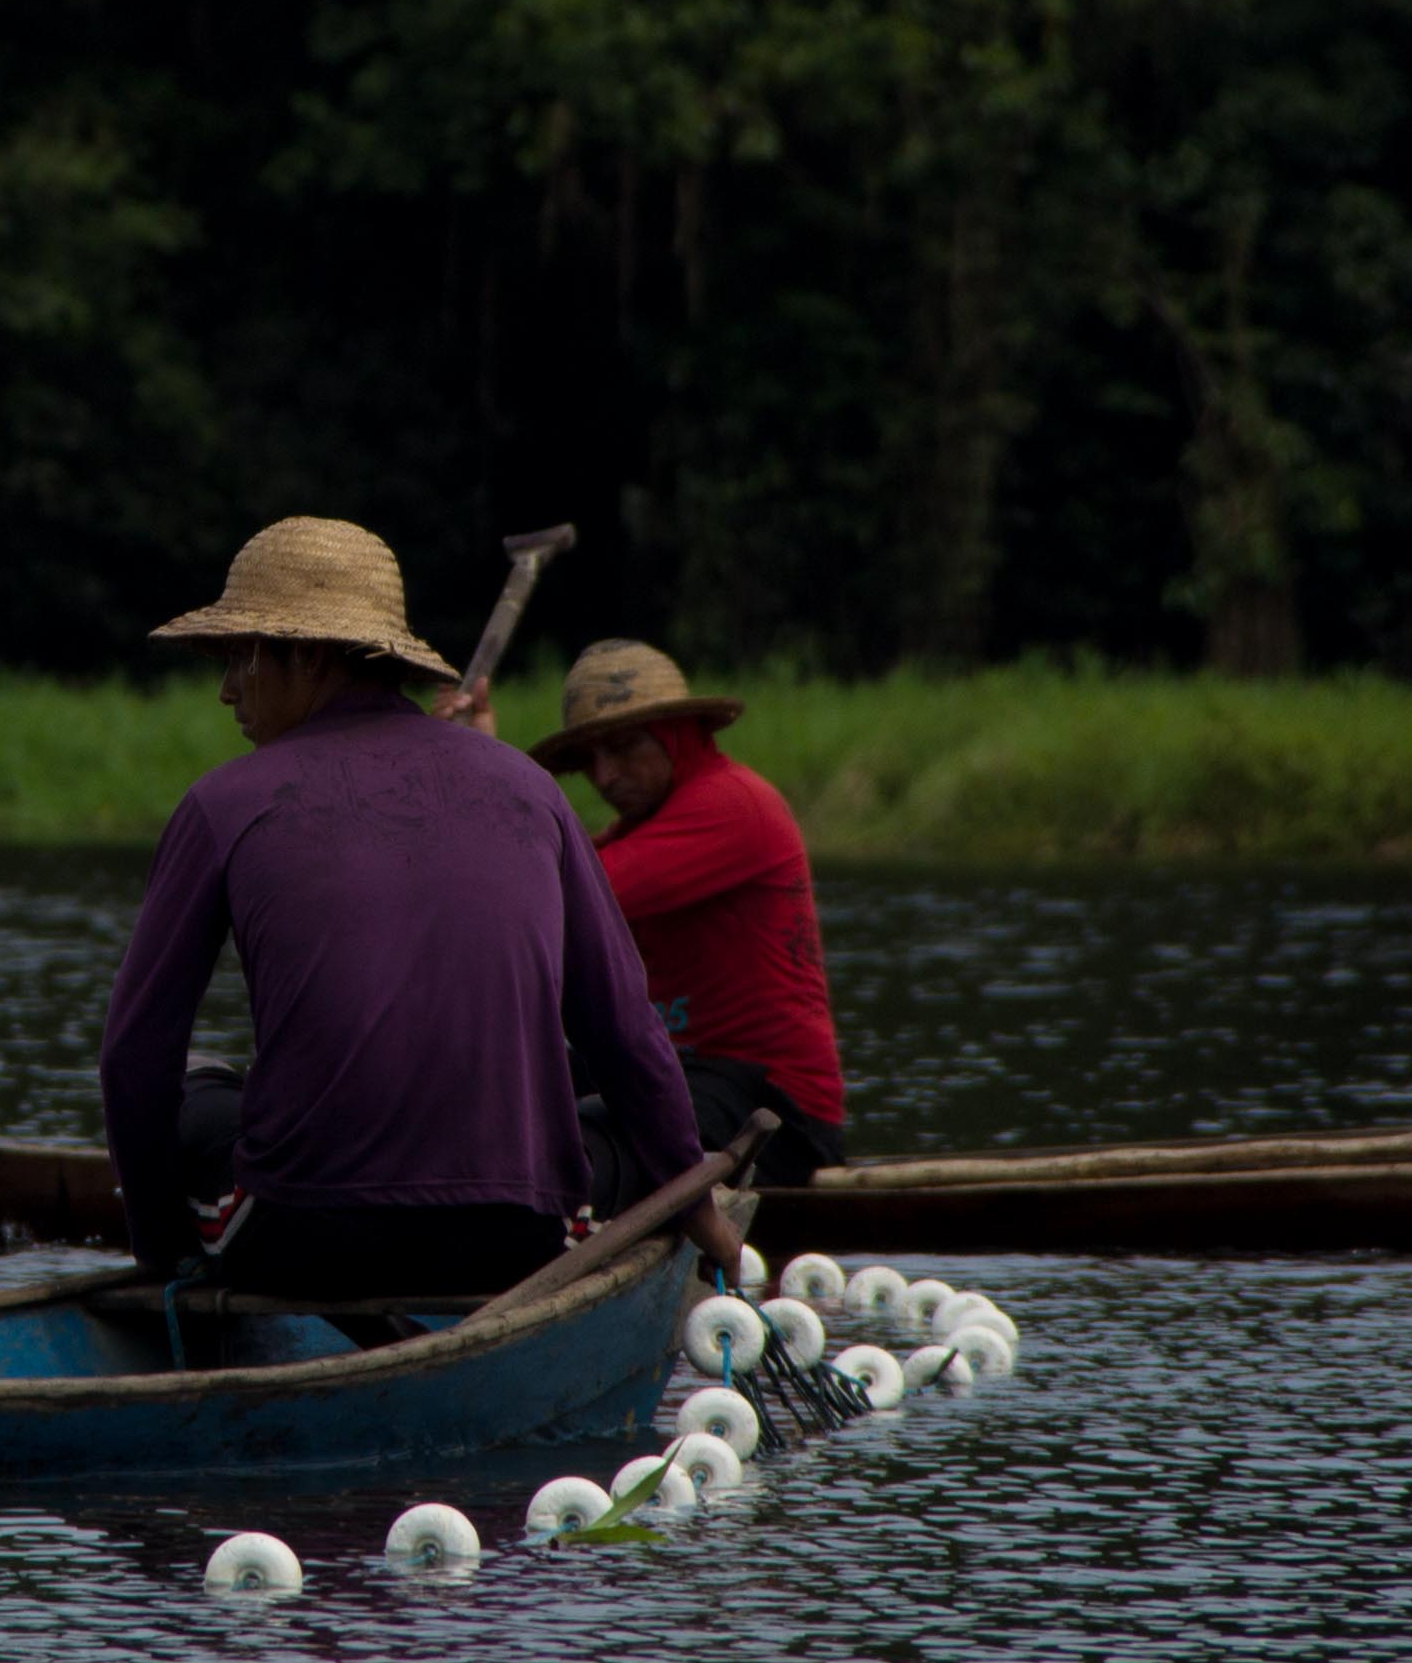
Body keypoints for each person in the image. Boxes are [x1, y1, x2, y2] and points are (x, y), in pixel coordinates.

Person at [98, 517, 722, 1302]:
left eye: (238, 657)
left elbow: (132, 1057)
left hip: (302, 1237)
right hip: (520, 1239)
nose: (227, 690)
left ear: (309, 654)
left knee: (194, 1083)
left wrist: (157, 1252)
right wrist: (698, 1209)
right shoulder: (530, 788)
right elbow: (626, 1031)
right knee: (617, 1130)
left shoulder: (221, 801)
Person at [530, 641, 850, 1181]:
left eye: (624, 748)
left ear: (677, 735)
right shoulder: (640, 826)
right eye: (590, 760)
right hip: (678, 1072)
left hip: (774, 1109)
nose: (605, 777)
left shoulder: (732, 804)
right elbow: (539, 869)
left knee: (579, 1130)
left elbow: (560, 893)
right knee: (509, 1083)